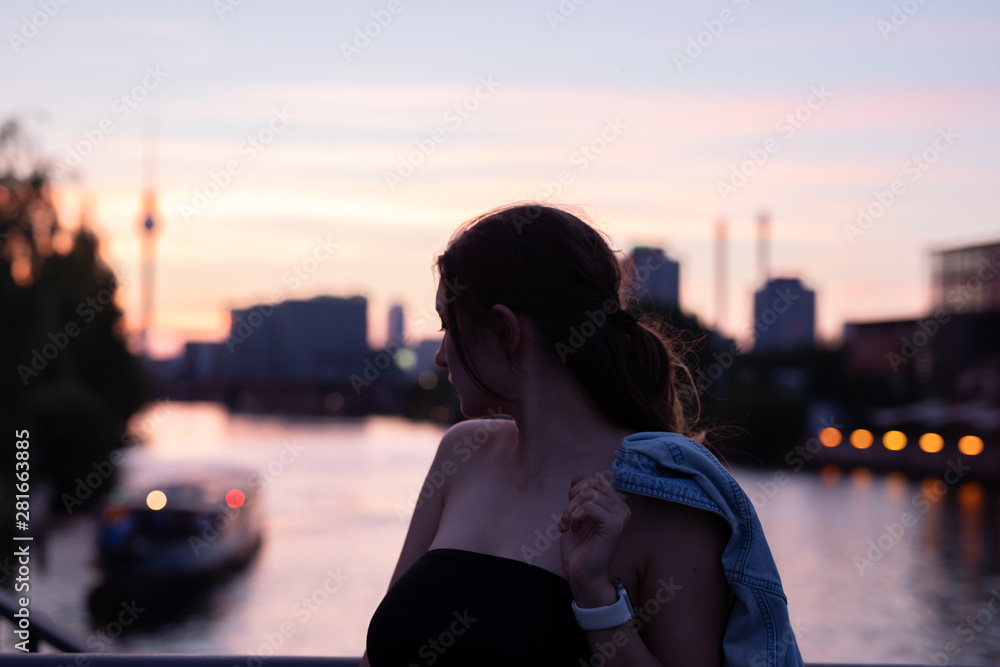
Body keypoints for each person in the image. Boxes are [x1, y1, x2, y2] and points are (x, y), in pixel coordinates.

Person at [362, 203, 803, 666]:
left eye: (447, 326)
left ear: (505, 330)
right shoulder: (461, 452)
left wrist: (596, 598)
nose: (440, 357)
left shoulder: (663, 497)